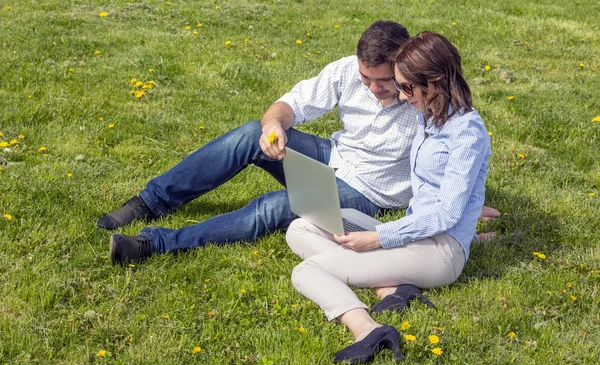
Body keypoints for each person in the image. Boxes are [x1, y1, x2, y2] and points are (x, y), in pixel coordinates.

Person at [100, 20, 499, 266]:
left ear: (405, 69)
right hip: (334, 157)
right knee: (248, 134)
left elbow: (453, 157)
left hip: (369, 191)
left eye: (385, 81)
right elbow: (290, 104)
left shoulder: (422, 99)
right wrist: (273, 126)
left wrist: (463, 206)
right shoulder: (347, 71)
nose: (375, 88)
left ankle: (156, 244)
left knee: (274, 208)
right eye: (367, 79)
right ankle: (150, 202)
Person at [286, 31, 491, 365]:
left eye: (407, 87)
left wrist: (378, 238)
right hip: (412, 234)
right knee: (301, 227)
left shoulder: (466, 133)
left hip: (439, 252)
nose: (401, 95)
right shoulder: (431, 117)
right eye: (399, 85)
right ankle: (392, 290)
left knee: (306, 271)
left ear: (435, 81)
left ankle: (367, 329)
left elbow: (446, 213)